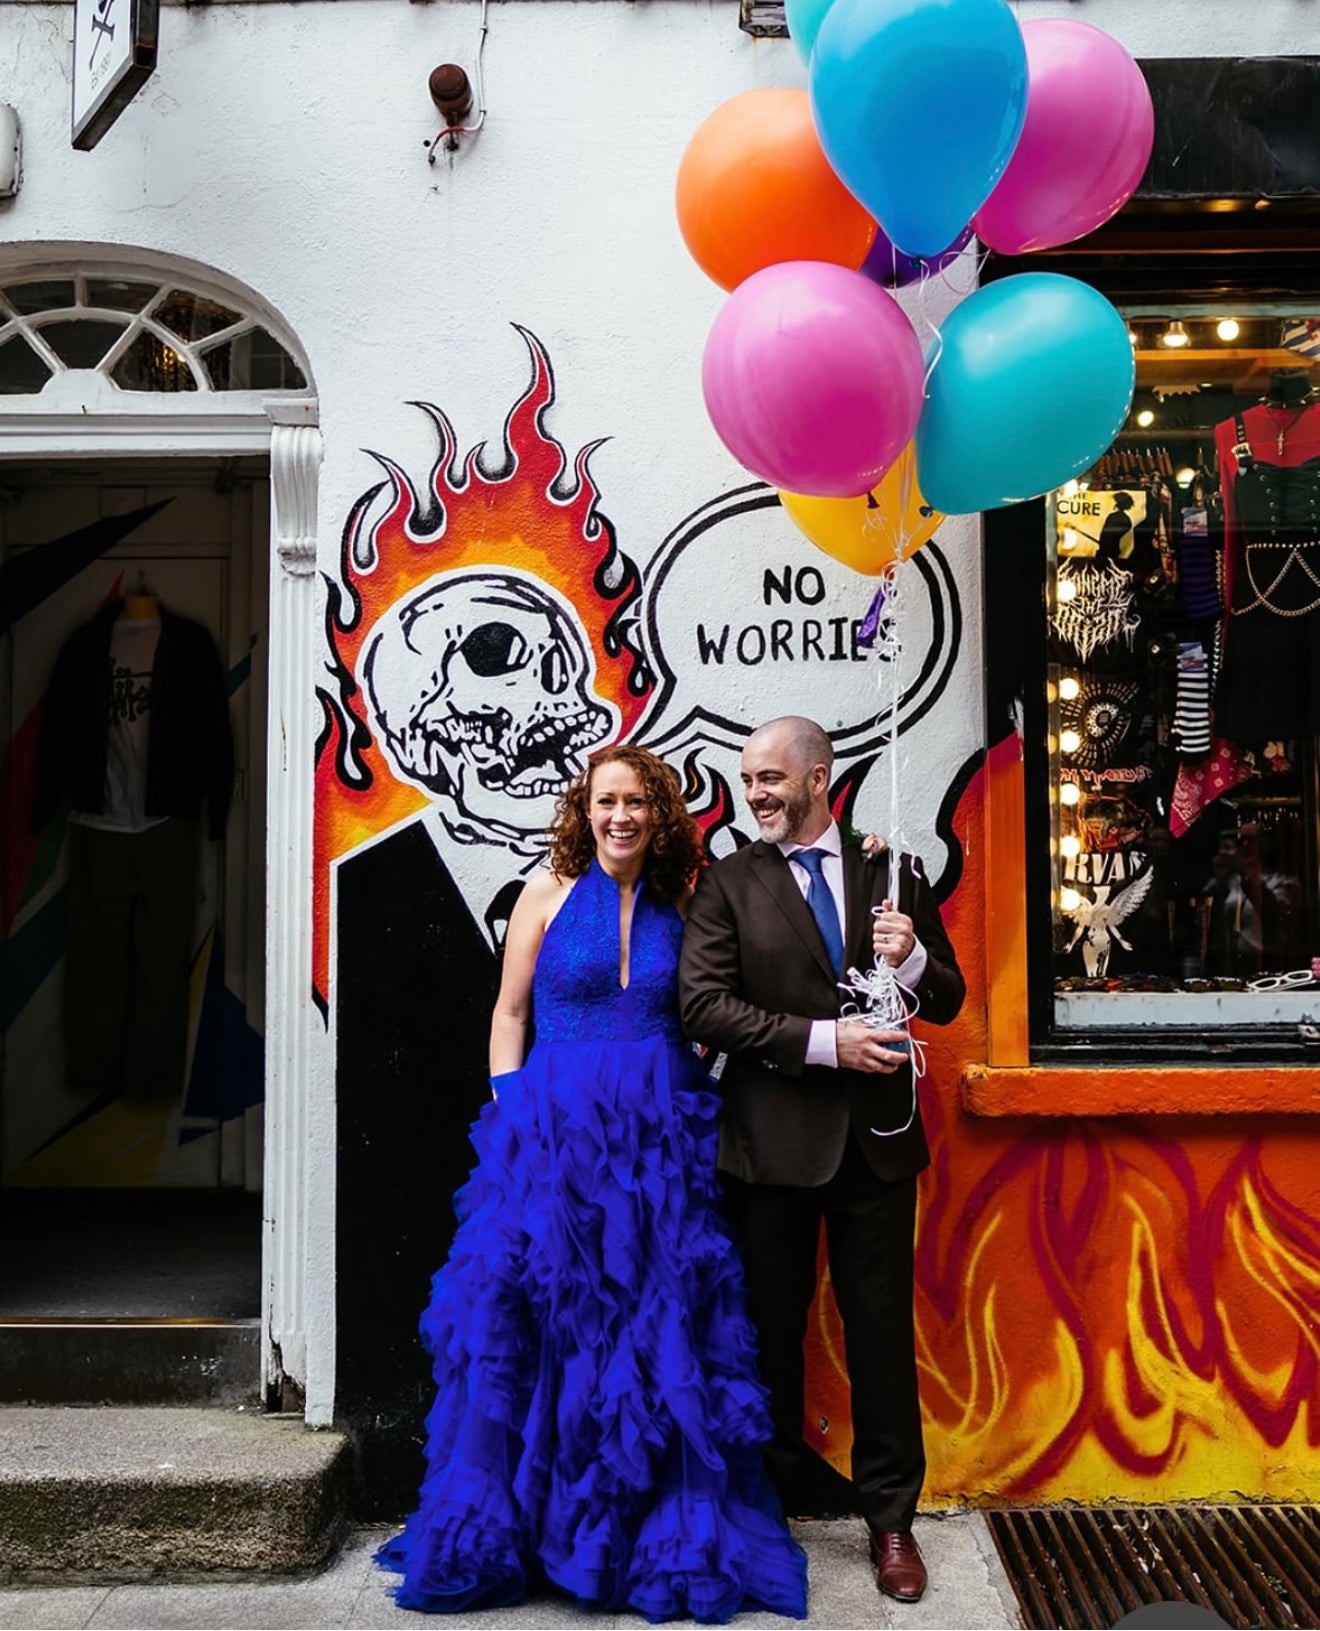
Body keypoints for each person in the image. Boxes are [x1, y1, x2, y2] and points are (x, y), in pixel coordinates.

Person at [376, 743, 809, 1622]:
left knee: (657, 1325)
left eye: (638, 802)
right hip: (553, 1136)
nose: (621, 816)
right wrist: (510, 1119)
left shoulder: (686, 899)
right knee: (539, 1322)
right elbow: (508, 1015)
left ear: (660, 815)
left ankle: (639, 1527)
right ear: (586, 810)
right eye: (607, 800)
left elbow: (718, 996)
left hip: (659, 1144)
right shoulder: (544, 894)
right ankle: (536, 1531)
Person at [678, 716, 965, 1605]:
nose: (755, 794)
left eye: (770, 778)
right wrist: (822, 1042)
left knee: (880, 1339)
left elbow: (947, 998)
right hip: (768, 1154)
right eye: (748, 779)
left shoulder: (893, 869)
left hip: (877, 1153)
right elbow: (702, 1007)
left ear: (818, 776)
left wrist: (911, 955)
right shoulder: (727, 882)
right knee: (768, 1336)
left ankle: (891, 1523)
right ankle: (768, 1514)